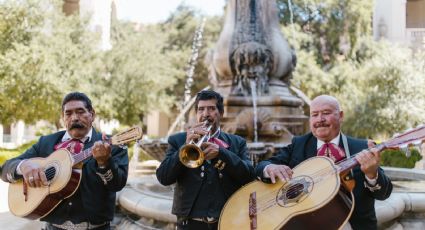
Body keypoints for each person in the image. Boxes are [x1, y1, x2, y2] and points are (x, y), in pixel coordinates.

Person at [255, 95, 392, 230]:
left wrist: (372, 174)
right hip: (303, 224)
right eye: (314, 115)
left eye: (326, 113)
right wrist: (270, 167)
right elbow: (262, 165)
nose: (320, 119)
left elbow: (383, 194)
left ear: (341, 116)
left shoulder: (362, 148)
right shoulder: (299, 144)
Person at [1, 92, 128, 230]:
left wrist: (104, 163)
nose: (74, 118)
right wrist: (24, 165)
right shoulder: (47, 143)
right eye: (68, 113)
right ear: (63, 118)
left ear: (92, 114)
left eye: (80, 112)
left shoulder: (110, 145)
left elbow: (117, 184)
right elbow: (5, 169)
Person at [156, 90, 255, 230]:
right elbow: (163, 177)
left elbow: (249, 176)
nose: (205, 114)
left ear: (221, 113)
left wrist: (222, 154)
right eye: (201, 109)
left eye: (211, 108)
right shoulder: (177, 140)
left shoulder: (237, 142)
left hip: (226, 220)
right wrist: (185, 147)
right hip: (190, 223)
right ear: (196, 114)